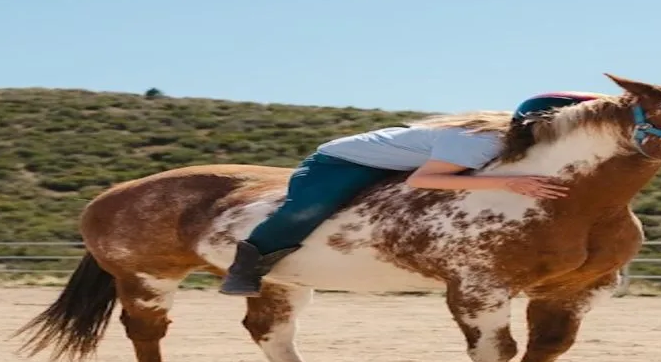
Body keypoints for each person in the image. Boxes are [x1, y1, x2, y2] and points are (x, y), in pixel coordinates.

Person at [218, 91, 604, 297]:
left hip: (405, 159)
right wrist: (506, 184)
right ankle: (249, 264)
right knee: (308, 210)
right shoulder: (480, 142)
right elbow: (423, 180)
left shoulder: (523, 141)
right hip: (344, 161)